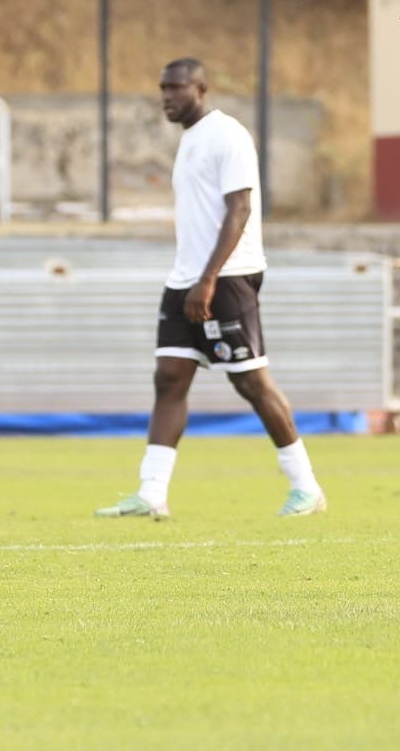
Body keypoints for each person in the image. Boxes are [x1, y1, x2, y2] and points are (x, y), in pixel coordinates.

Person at [96, 57, 326, 519]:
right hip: (185, 278)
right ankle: (151, 493)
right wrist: (192, 279)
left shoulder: (227, 135)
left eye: (177, 87)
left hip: (226, 277)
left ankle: (307, 488)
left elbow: (240, 209)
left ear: (202, 88)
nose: (167, 96)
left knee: (250, 382)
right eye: (163, 88)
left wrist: (208, 280)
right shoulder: (190, 140)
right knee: (169, 378)